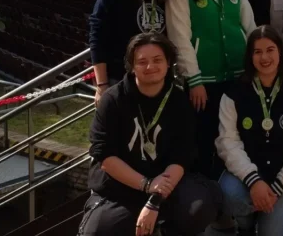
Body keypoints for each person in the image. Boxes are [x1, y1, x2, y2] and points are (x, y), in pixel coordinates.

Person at [80, 33, 221, 236]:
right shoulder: (113, 100)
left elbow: (182, 156)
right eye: (142, 62)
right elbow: (105, 156)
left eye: (157, 60)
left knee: (198, 207)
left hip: (167, 184)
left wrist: (155, 199)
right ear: (131, 66)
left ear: (168, 63)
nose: (150, 67)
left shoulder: (179, 101)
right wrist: (146, 185)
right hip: (123, 186)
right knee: (98, 230)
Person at [216, 26, 283, 236]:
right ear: (250, 57)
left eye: (270, 50)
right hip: (247, 173)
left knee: (273, 233)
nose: (264, 57)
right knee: (228, 195)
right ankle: (249, 223)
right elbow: (227, 143)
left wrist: (278, 187)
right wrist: (254, 181)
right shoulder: (234, 93)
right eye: (257, 52)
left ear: (280, 52)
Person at [168, 0, 256, 181]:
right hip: (204, 80)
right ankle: (207, 190)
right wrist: (194, 80)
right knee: (205, 136)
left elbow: (250, 27)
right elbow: (180, 38)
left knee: (236, 135)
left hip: (238, 75)